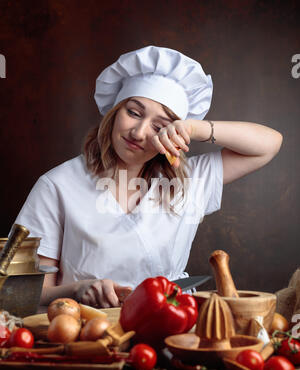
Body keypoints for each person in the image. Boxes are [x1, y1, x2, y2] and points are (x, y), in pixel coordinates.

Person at [14, 46, 282, 309]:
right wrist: (77, 290)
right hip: (89, 327)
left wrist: (195, 128)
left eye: (160, 126)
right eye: (133, 112)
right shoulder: (57, 185)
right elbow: (25, 291)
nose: (139, 132)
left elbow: (268, 144)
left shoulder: (190, 179)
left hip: (172, 322)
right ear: (114, 112)